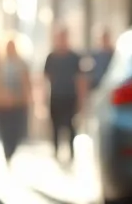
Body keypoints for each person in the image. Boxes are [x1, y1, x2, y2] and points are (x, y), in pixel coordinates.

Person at [42, 27, 83, 164]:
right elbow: (45, 79)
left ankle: (71, 153)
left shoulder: (74, 57)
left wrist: (81, 99)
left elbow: (80, 79)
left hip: (70, 96)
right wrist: (42, 99)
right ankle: (56, 151)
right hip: (55, 96)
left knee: (71, 126)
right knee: (55, 125)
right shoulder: (51, 57)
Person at [0, 38, 32, 165]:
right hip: (2, 103)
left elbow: (26, 82)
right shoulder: (0, 63)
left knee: (16, 129)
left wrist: (28, 99)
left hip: (18, 103)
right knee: (4, 129)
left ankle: (11, 150)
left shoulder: (21, 63)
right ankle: (7, 152)